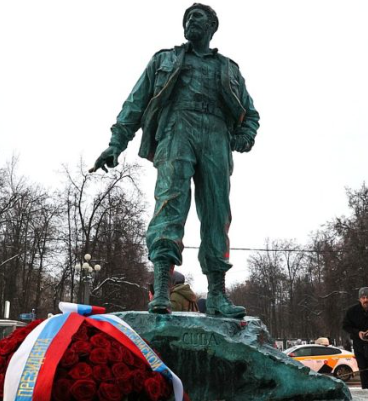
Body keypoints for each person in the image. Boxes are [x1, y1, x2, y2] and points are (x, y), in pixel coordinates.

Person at [91, 3, 259, 319]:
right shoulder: (163, 60)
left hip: (216, 136)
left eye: (197, 17)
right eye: (186, 18)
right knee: (169, 205)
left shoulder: (229, 69)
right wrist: (116, 144)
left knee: (217, 214)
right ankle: (162, 292)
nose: (190, 21)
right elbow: (135, 104)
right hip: (176, 130)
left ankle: (219, 295)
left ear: (212, 26)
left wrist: (244, 137)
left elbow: (250, 114)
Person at [342, 287, 368, 390]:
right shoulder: (352, 311)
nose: (365, 300)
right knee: (363, 371)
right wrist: (358, 333)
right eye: (363, 297)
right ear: (359, 299)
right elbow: (345, 325)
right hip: (359, 346)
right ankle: (366, 393)